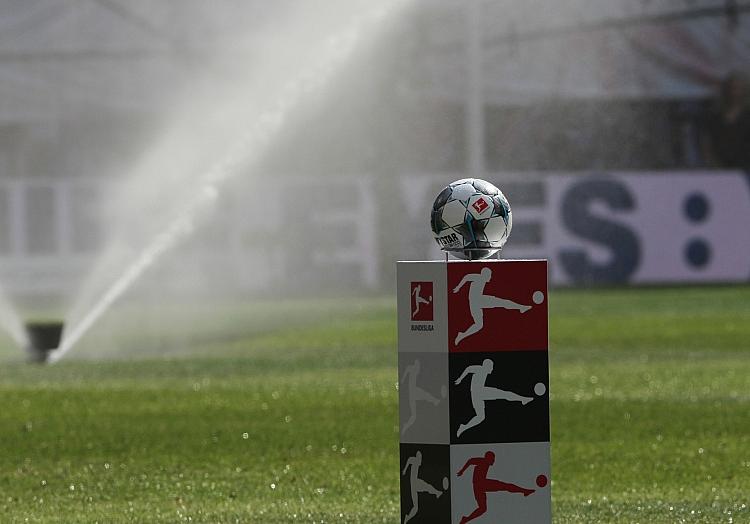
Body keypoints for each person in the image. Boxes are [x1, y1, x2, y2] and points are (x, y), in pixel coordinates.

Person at [455, 359, 534, 438]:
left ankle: (464, 427)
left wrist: (461, 379)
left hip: (475, 395)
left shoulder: (483, 371)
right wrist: (460, 378)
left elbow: (469, 369)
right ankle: (523, 399)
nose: (492, 369)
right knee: (504, 394)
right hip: (480, 391)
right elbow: (468, 368)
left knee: (481, 417)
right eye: (491, 367)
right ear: (487, 366)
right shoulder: (480, 368)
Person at [453, 267, 531, 346]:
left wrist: (459, 287)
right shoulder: (478, 277)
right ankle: (521, 307)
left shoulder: (481, 279)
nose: (490, 277)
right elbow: (467, 277)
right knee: (502, 302)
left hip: (475, 303)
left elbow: (467, 277)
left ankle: (462, 335)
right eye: (489, 275)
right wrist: (458, 287)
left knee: (479, 324)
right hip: (479, 300)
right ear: (485, 275)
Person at [457, 451, 535, 524]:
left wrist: (462, 471)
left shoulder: (485, 463)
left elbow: (471, 462)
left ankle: (466, 519)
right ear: (488, 458)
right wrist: (462, 470)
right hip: (482, 484)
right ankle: (524, 491)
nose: (494, 461)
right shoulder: (483, 461)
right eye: (492, 459)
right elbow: (470, 461)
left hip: (478, 486)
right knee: (505, 486)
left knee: (483, 508)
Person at [703, 73, 750, 172]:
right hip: (721, 166)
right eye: (732, 88)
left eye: (739, 88)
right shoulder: (716, 117)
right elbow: (708, 140)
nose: (735, 92)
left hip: (745, 167)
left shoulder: (747, 115)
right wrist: (712, 162)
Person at [402, 451, 444, 524]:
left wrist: (405, 470)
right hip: (415, 482)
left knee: (416, 507)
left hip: (413, 484)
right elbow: (409, 460)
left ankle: (407, 518)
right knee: (427, 487)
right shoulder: (415, 460)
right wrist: (405, 469)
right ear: (418, 456)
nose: (420, 459)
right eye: (420, 457)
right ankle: (437, 493)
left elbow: (409, 460)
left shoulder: (417, 461)